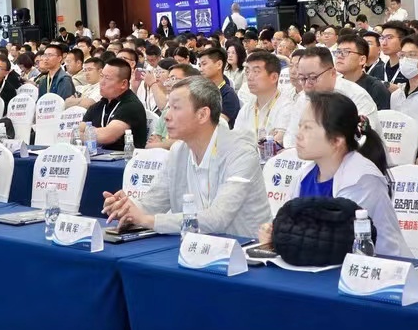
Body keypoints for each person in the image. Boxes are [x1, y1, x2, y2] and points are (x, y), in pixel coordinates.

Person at [101, 76, 269, 237]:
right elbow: (152, 203)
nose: (166, 116)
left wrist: (148, 221)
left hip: (243, 248)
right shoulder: (178, 151)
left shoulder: (240, 152)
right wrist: (126, 208)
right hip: (193, 245)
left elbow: (217, 219)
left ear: (202, 114)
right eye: (168, 107)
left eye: (176, 108)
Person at [261, 91, 409, 257]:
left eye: (308, 128)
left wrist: (280, 236)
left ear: (337, 140)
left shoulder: (362, 179)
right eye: (300, 126)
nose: (299, 134)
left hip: (378, 266)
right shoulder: (304, 175)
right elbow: (288, 223)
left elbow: (334, 241)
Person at [282, 46, 376, 147]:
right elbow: (291, 137)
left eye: (313, 78)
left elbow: (363, 141)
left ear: (332, 73)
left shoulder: (356, 96)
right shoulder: (303, 98)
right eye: (302, 78)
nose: (307, 85)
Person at [84, 57, 150, 149]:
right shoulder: (99, 105)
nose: (101, 82)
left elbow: (107, 136)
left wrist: (87, 133)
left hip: (126, 156)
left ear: (123, 84)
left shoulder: (131, 106)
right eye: (102, 76)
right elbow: (77, 131)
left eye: (107, 78)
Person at [234, 50, 289, 151]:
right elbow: (236, 140)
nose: (249, 77)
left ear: (274, 77)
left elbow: (280, 143)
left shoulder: (287, 107)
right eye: (247, 71)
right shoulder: (247, 108)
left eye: (256, 72)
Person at [332, 35, 390, 111]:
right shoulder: (334, 85)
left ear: (362, 60)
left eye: (346, 52)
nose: (339, 56)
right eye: (338, 52)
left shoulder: (375, 88)